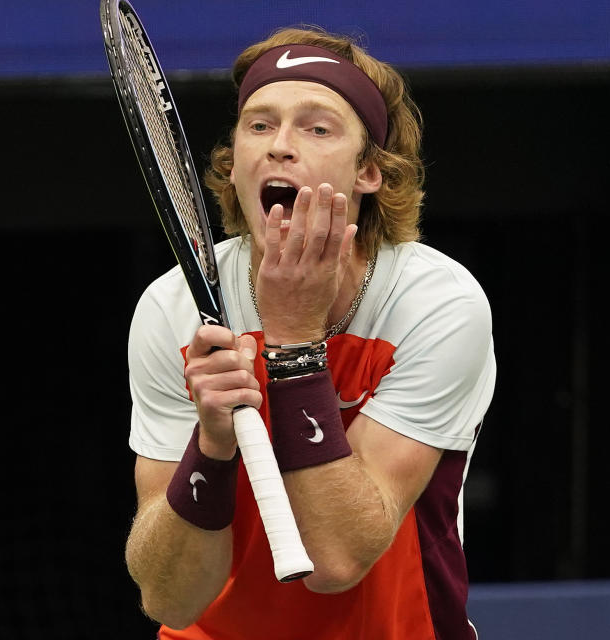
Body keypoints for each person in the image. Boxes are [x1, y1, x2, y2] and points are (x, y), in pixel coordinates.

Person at [125, 26, 496, 640]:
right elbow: (170, 596)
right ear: (233, 163)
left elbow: (335, 560)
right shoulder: (172, 308)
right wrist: (213, 447)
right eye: (259, 125)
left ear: (370, 172)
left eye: (317, 128)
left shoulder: (436, 303)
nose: (280, 147)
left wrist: (294, 342)